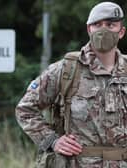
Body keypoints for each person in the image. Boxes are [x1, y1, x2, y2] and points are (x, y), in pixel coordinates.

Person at [16, 2, 127, 167]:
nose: (103, 30)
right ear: (89, 29)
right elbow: (25, 109)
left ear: (121, 32)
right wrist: (52, 141)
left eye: (110, 25)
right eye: (97, 25)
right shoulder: (67, 69)